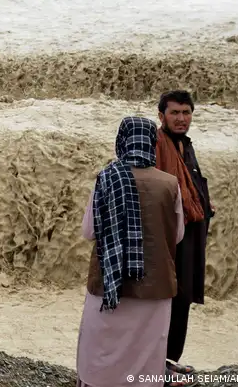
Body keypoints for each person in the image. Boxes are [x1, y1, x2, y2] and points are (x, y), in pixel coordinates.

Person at [76, 117, 185, 387]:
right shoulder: (170, 183)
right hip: (156, 285)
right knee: (146, 355)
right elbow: (178, 235)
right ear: (152, 143)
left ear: (121, 141)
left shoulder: (106, 177)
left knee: (101, 351)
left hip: (110, 284)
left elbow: (89, 231)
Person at [155, 90, 214, 379]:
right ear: (162, 116)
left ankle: (168, 360)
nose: (181, 118)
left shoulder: (184, 145)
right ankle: (158, 364)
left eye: (186, 112)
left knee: (183, 298)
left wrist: (203, 201)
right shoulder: (157, 144)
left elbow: (188, 183)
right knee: (170, 298)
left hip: (190, 234)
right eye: (174, 113)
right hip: (171, 238)